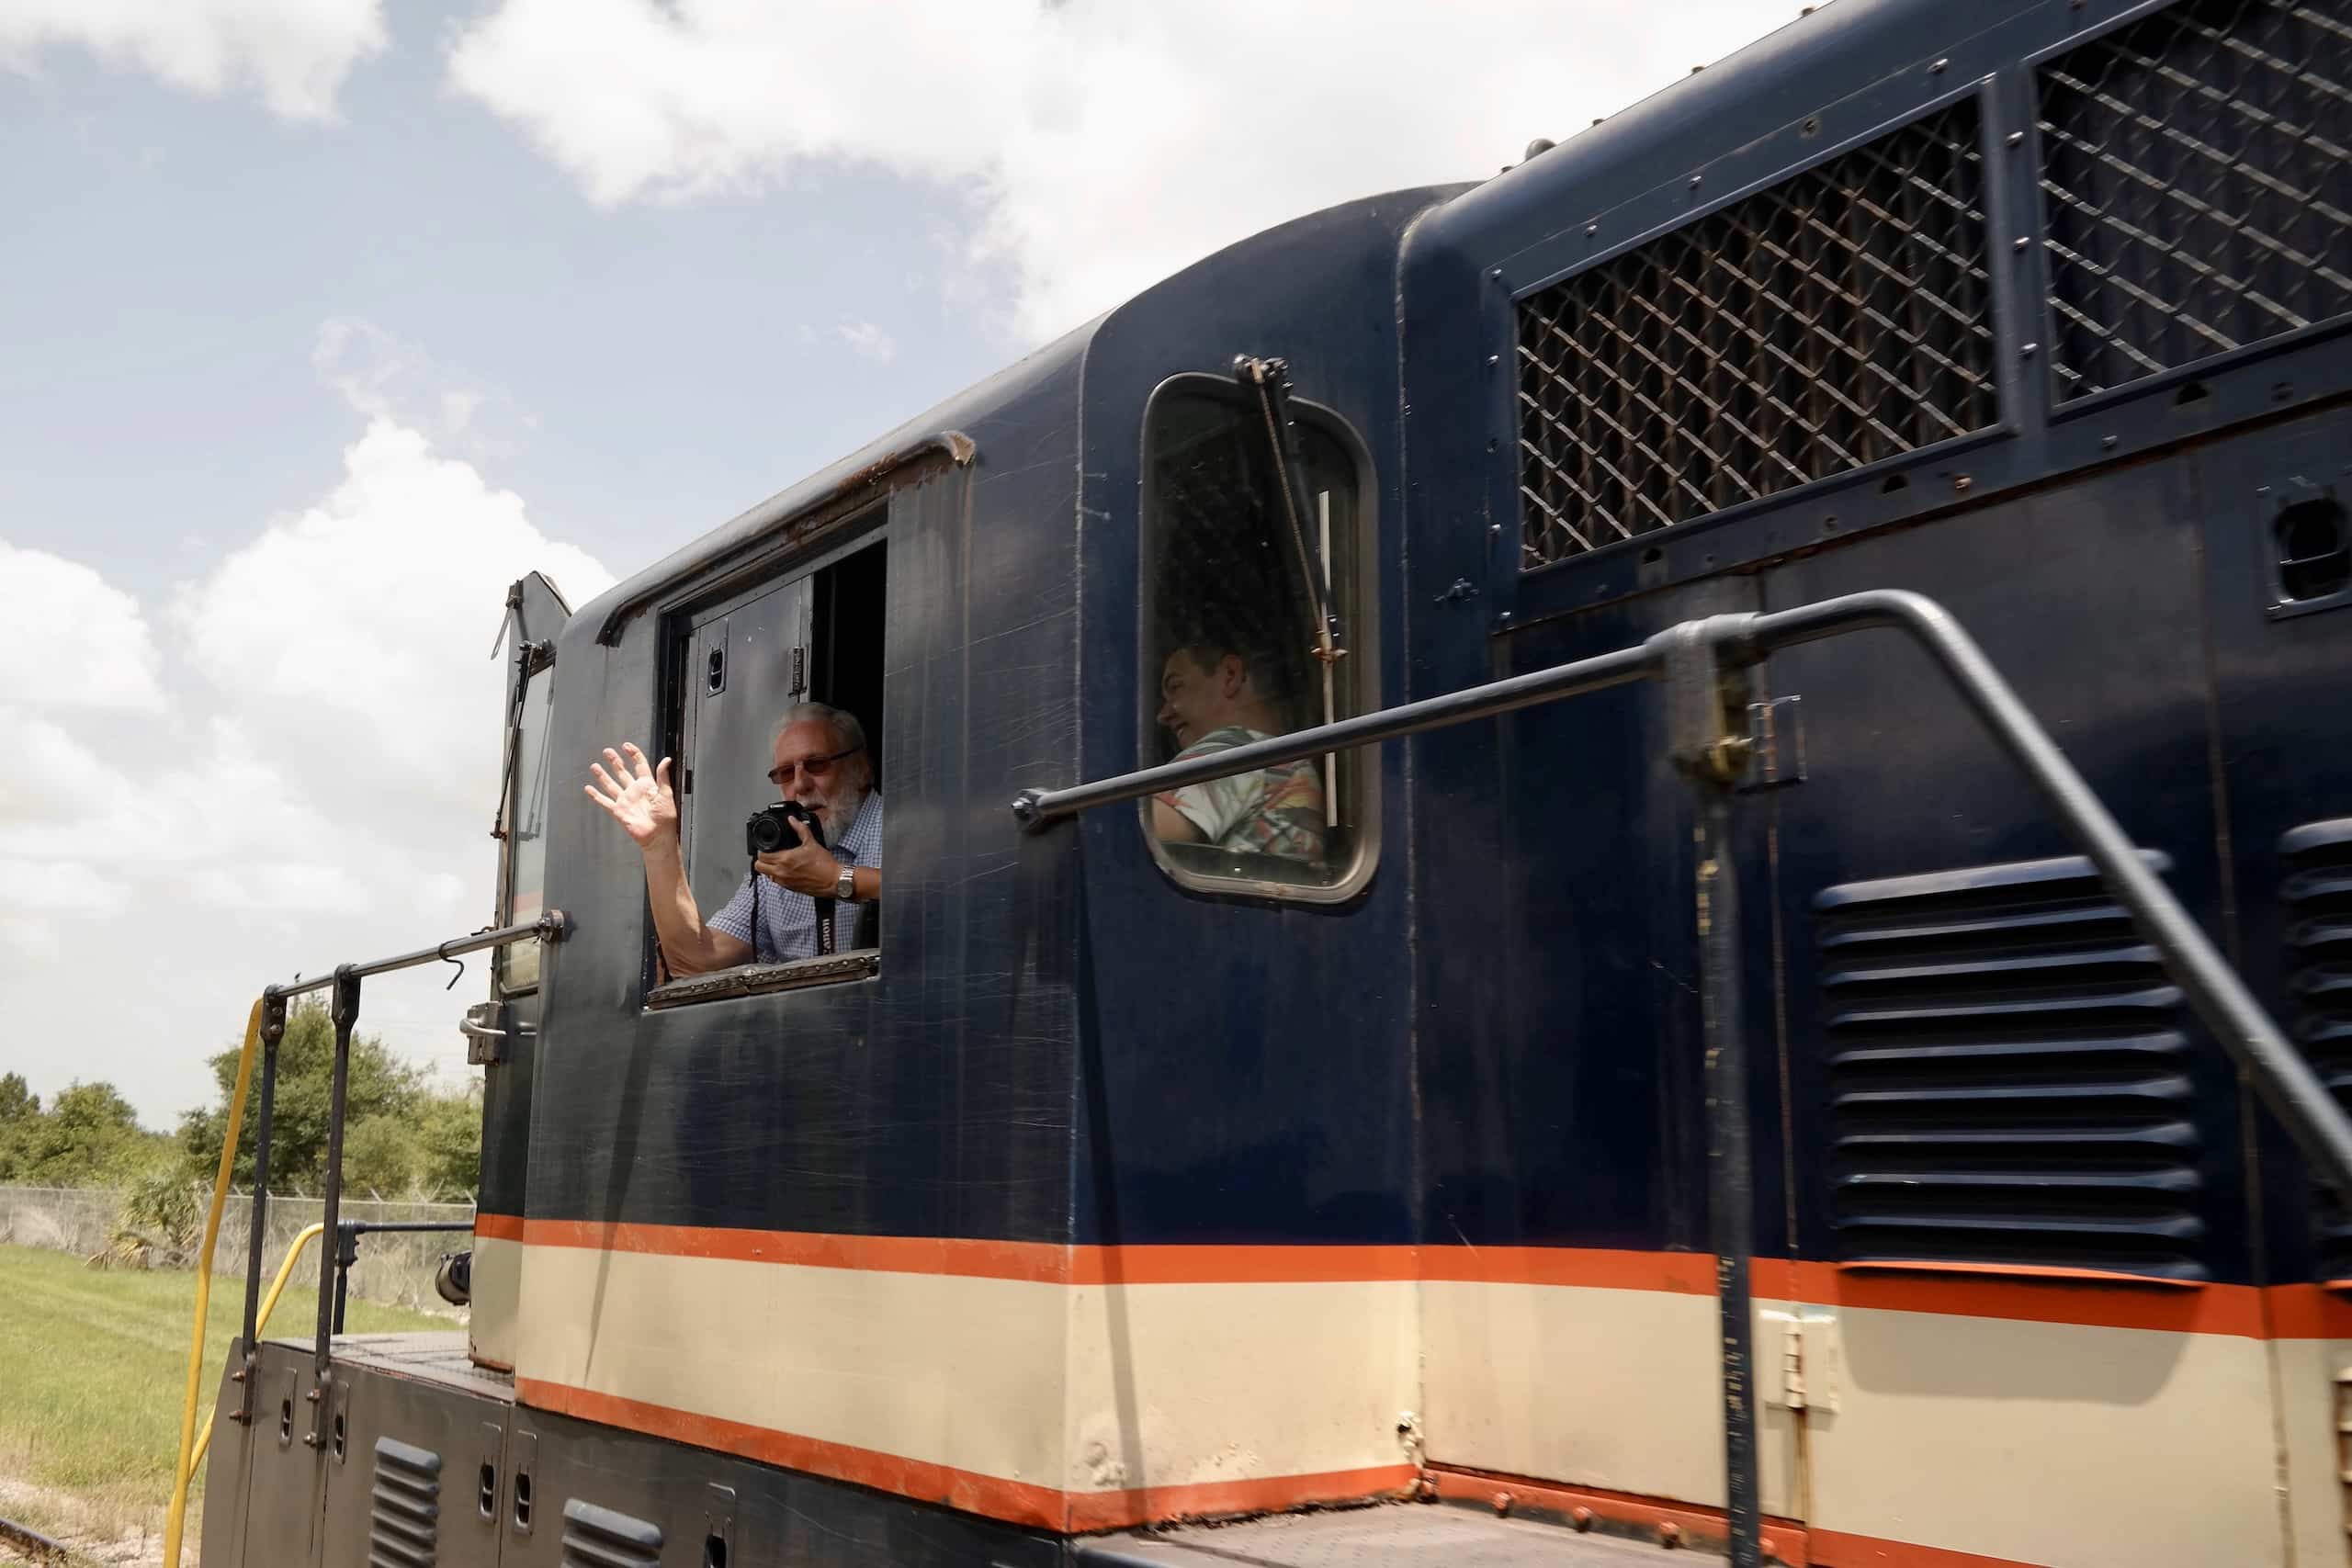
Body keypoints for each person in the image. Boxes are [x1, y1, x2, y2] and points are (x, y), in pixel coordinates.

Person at [585, 703, 883, 974]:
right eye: (786, 773)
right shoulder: (779, 864)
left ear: (862, 768)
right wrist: (658, 845)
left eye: (817, 764)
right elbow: (695, 962)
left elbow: (930, 892)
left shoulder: (902, 826)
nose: (801, 785)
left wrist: (837, 879)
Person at [1148, 643, 1327, 863]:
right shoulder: (1287, 764)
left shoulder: (1240, 749)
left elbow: (1134, 834)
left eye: (1175, 687)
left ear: (1231, 675)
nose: (1163, 715)